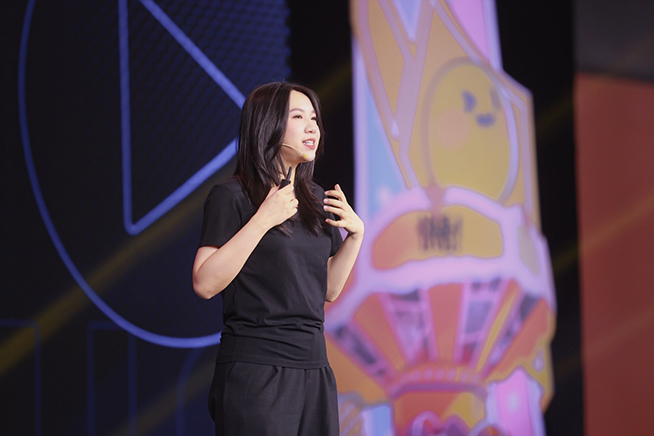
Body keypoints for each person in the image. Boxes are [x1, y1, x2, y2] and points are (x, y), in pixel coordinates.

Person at [192, 82, 364, 436]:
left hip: (314, 366)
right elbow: (204, 283)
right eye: (298, 117)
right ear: (267, 125)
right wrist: (263, 220)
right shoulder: (232, 196)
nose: (312, 128)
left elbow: (328, 290)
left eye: (314, 118)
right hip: (257, 369)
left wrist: (355, 237)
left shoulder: (315, 198)